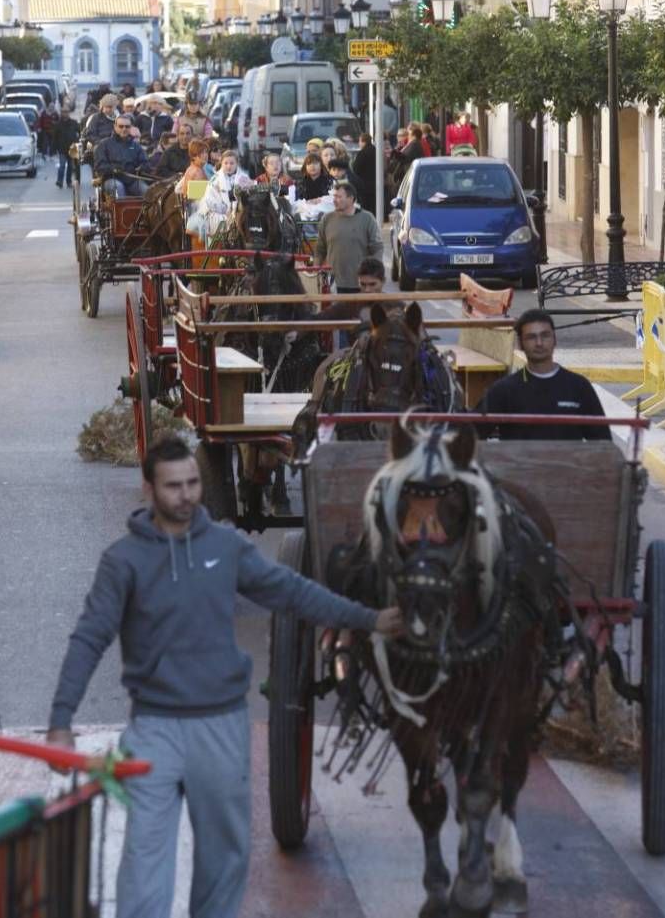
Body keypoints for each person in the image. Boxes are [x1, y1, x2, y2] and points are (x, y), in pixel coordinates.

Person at [46, 436, 402, 918]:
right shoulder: (123, 562)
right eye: (174, 486)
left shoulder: (226, 547)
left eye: (193, 483)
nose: (187, 495)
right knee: (144, 868)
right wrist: (61, 722)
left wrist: (367, 619)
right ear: (149, 489)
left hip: (222, 728)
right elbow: (88, 639)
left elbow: (292, 593)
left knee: (223, 866)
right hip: (154, 732)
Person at [477, 309, 612, 441]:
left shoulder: (579, 386)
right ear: (520, 344)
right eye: (531, 337)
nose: (539, 343)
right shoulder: (504, 390)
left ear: (555, 339)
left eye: (545, 335)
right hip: (521, 464)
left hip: (567, 463)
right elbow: (471, 434)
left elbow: (603, 442)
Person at [314, 179, 383, 293]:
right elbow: (320, 248)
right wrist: (316, 269)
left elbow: (377, 248)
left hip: (361, 285)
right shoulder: (327, 219)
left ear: (351, 199)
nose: (335, 200)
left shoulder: (367, 219)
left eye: (339, 197)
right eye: (334, 197)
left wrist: (373, 275)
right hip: (334, 284)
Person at [94, 116, 151, 197]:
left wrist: (142, 167)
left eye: (127, 126)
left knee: (147, 191)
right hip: (112, 179)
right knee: (119, 188)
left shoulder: (136, 146)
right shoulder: (104, 144)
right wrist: (113, 168)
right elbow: (99, 166)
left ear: (130, 127)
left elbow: (145, 163)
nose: (124, 129)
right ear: (115, 127)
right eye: (121, 126)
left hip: (132, 180)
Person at [52, 108, 80, 188]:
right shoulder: (58, 124)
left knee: (70, 166)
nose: (65, 114)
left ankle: (68, 182)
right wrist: (54, 149)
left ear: (69, 113)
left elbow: (80, 131)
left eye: (66, 112)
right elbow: (54, 137)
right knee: (62, 165)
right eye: (63, 112)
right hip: (62, 148)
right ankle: (59, 181)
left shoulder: (73, 123)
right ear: (61, 113)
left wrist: (78, 141)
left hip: (72, 148)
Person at [351, 131, 377, 215]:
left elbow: (356, 168)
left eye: (359, 141)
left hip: (365, 184)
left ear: (363, 141)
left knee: (366, 206)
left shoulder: (362, 153)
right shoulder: (376, 150)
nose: (359, 143)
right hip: (376, 183)